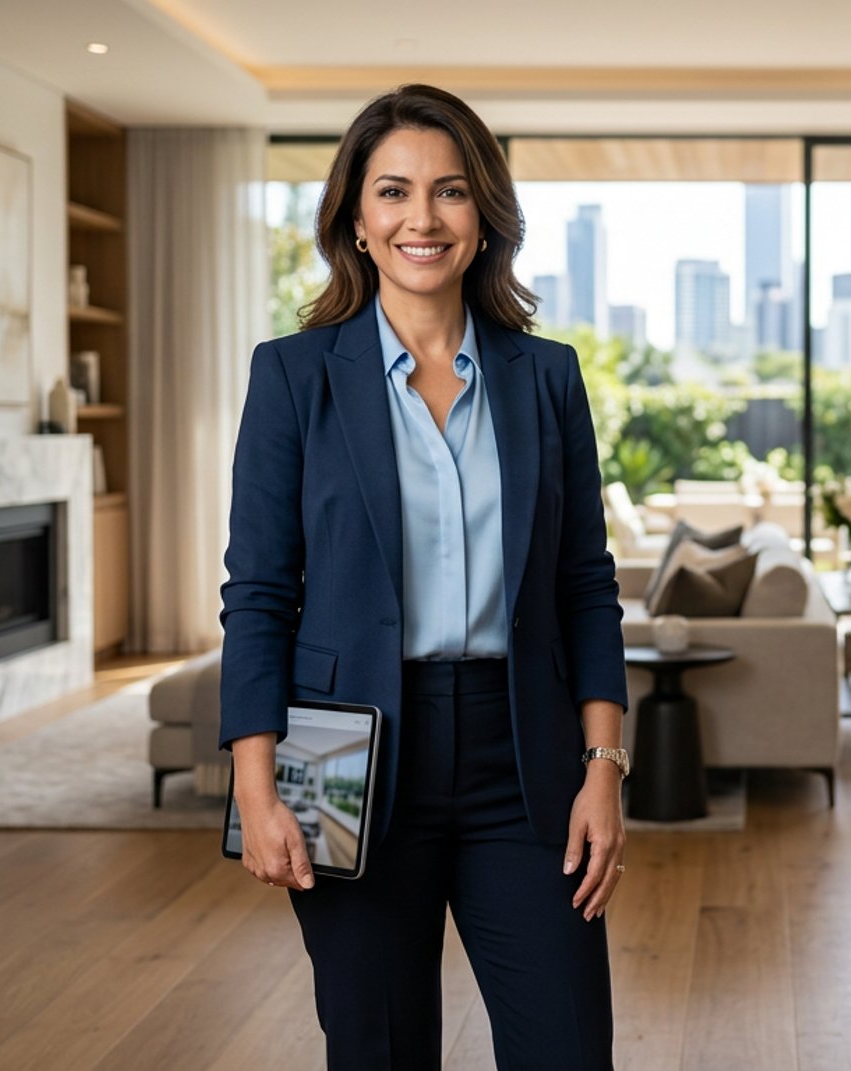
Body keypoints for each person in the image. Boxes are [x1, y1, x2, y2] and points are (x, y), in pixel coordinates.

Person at [219, 83, 629, 1070]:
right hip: (345, 757)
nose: (421, 217)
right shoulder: (293, 377)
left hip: (521, 756)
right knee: (380, 1050)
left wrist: (604, 770)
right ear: (356, 220)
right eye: (393, 192)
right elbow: (260, 594)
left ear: (484, 216)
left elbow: (585, 584)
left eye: (449, 192)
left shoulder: (548, 379)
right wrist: (256, 780)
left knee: (568, 1048)